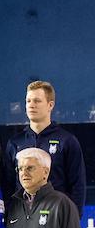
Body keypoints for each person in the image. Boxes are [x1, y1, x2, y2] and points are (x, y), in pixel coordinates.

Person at [5, 80, 85, 210]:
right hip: (23, 216)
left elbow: (77, 185)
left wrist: (73, 218)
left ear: (50, 105)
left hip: (55, 215)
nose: (31, 105)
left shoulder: (67, 141)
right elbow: (8, 184)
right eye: (28, 101)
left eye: (37, 101)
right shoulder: (15, 142)